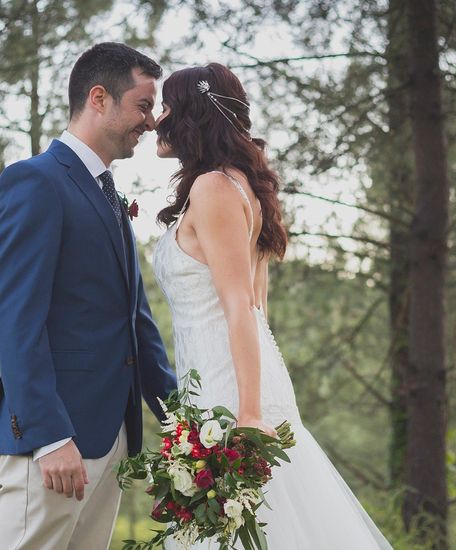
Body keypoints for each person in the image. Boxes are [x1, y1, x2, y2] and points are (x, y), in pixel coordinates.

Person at [151, 62, 394, 549]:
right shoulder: (239, 183)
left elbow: (242, 306)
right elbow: (257, 308)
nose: (158, 117)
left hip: (231, 389)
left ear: (191, 114)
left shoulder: (214, 187)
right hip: (227, 378)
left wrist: (248, 412)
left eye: (166, 105)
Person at [0, 42, 177, 550]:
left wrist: (183, 421)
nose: (152, 121)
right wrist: (48, 435)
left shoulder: (107, 194)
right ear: (99, 98)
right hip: (54, 442)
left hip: (108, 436)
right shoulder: (35, 182)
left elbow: (135, 322)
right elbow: (15, 319)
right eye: (142, 105)